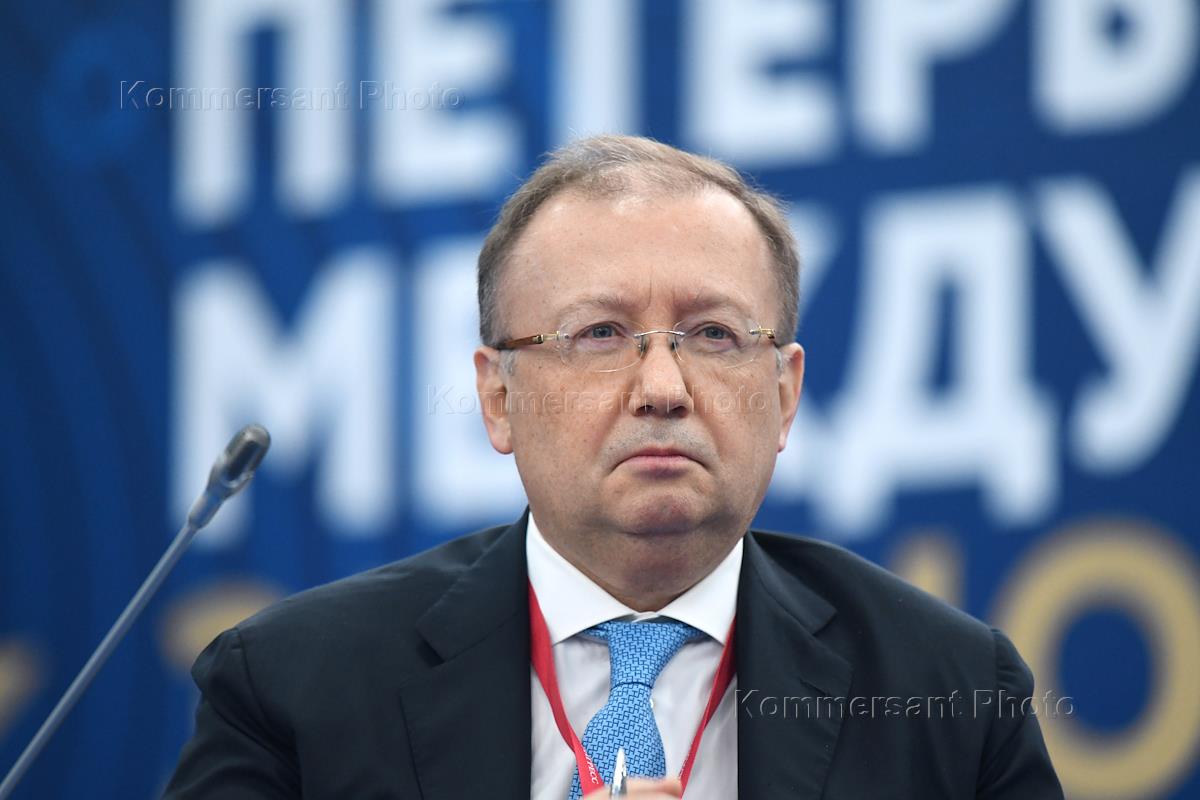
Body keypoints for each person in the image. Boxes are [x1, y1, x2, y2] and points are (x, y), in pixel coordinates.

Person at [163, 136, 1063, 799]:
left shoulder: (949, 693)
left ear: (785, 394)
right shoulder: (294, 690)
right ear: (500, 398)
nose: (663, 389)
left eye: (714, 335)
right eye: (599, 334)